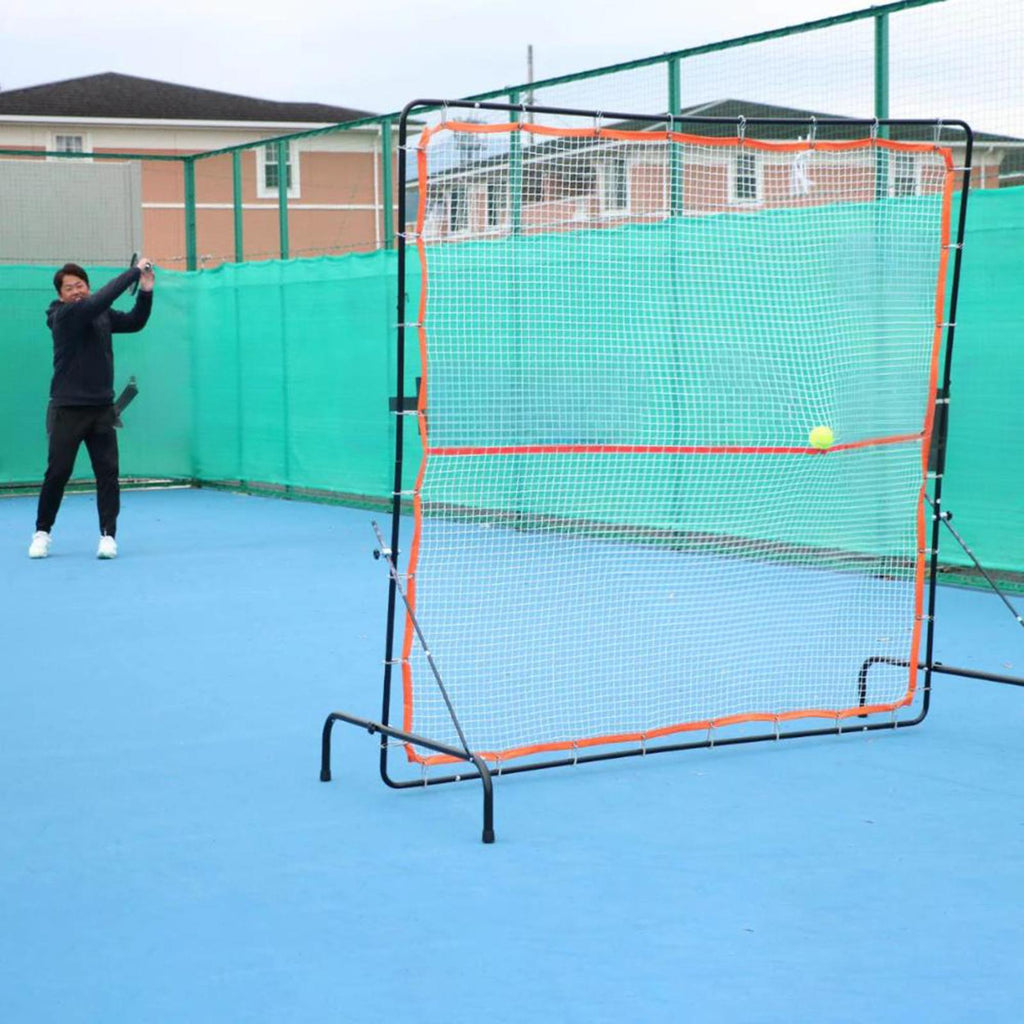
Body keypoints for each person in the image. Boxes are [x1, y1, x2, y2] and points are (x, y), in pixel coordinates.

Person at [28, 259, 155, 560]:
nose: (76, 291)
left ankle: (108, 536)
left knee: (108, 474)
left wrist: (146, 290)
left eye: (80, 285)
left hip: (101, 410)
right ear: (61, 296)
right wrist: (134, 272)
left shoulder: (102, 315)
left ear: (88, 286)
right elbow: (100, 300)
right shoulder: (63, 315)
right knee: (58, 472)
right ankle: (42, 533)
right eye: (69, 288)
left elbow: (135, 321)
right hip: (67, 409)